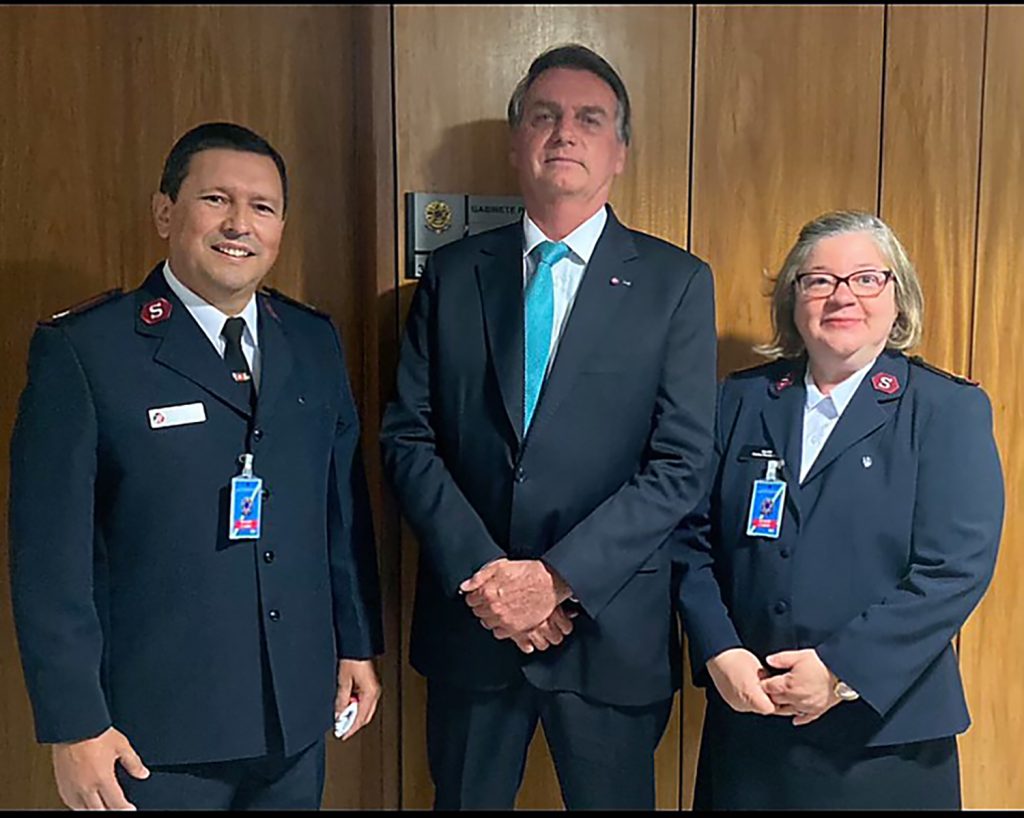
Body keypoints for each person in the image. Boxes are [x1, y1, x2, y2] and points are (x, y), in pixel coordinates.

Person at [8, 122, 384, 810]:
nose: (240, 224)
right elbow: (48, 559)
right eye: (216, 199)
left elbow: (340, 508)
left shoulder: (312, 340)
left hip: (293, 720)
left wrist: (356, 645)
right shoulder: (88, 351)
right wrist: (74, 723)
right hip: (153, 734)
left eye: (262, 207)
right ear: (165, 213)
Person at [380, 45, 716, 810]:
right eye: (545, 116)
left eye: (588, 119)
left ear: (619, 151)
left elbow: (681, 462)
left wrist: (554, 581)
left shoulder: (676, 283)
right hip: (473, 627)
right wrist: (492, 583)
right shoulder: (453, 274)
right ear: (516, 141)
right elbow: (409, 438)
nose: (564, 132)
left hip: (607, 633)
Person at [676, 210, 1004, 810]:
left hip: (885, 738)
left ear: (897, 299)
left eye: (865, 279)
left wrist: (838, 670)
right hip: (753, 726)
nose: (841, 296)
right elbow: (690, 542)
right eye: (818, 280)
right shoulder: (740, 400)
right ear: (793, 300)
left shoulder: (944, 409)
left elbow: (954, 569)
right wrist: (719, 651)